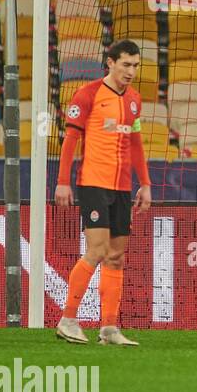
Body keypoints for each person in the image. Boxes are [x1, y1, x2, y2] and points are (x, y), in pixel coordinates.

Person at [54, 40, 152, 346]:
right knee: (96, 251)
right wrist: (63, 181)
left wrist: (145, 183)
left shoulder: (134, 100)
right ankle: (68, 319)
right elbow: (70, 140)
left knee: (116, 257)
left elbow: (135, 144)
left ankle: (109, 328)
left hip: (122, 187)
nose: (131, 71)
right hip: (94, 183)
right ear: (110, 63)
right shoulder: (88, 94)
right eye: (126, 64)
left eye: (136, 65)